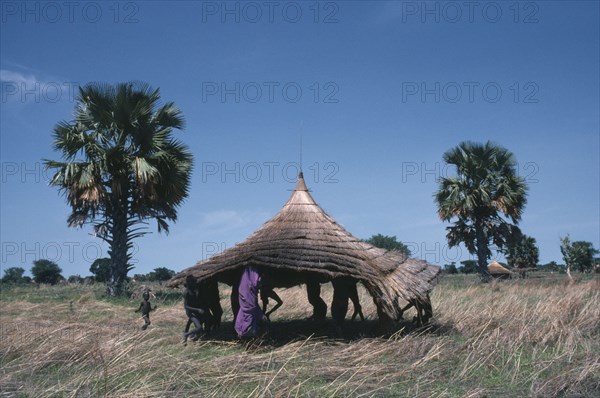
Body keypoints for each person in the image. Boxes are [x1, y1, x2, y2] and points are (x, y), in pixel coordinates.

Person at [234, 266, 268, 338]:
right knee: (250, 316)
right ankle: (249, 334)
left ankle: (247, 333)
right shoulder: (251, 280)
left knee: (252, 316)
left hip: (250, 300)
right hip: (249, 301)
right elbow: (257, 283)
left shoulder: (244, 281)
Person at [182, 275, 210, 343]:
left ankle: (200, 335)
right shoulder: (187, 292)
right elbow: (186, 306)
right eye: (194, 282)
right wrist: (198, 310)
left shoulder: (194, 290)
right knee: (199, 327)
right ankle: (186, 334)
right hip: (191, 312)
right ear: (189, 283)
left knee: (208, 319)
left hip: (196, 310)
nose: (195, 283)